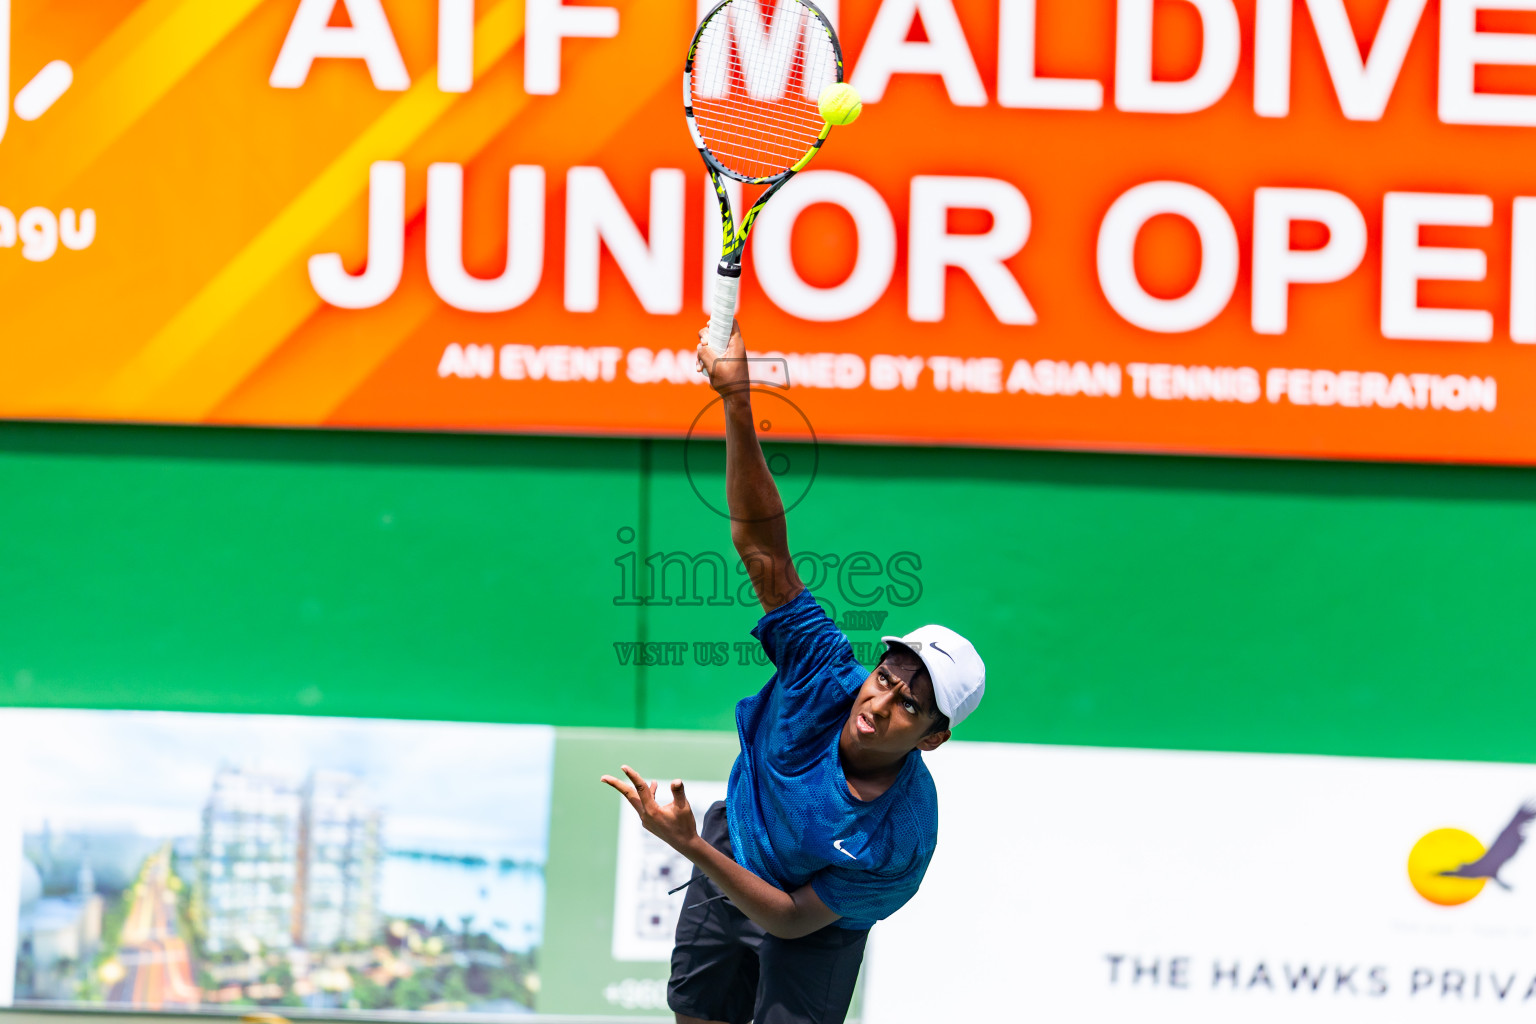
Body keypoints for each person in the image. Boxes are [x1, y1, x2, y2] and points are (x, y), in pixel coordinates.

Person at [601, 319, 986, 1024]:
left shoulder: (901, 837)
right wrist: (738, 400)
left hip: (814, 933)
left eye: (910, 705)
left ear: (932, 737)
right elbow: (759, 540)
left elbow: (787, 919)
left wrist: (683, 845)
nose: (882, 700)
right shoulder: (820, 673)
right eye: (888, 677)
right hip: (737, 843)